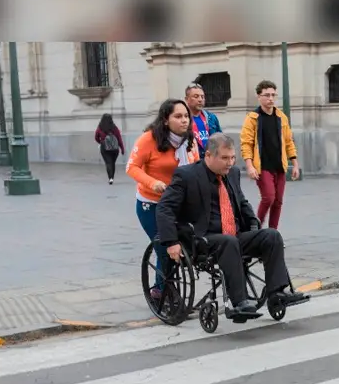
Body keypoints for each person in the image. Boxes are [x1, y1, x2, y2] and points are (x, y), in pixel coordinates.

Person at [156, 133, 309, 318]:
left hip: (234, 236)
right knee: (228, 242)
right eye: (225, 158)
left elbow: (241, 202)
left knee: (272, 236)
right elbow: (165, 208)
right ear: (208, 155)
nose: (230, 163)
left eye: (232, 158)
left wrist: (253, 223)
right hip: (203, 239)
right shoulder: (186, 175)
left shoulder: (233, 173)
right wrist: (171, 241)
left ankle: (276, 293)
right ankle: (239, 302)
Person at [125, 99, 199, 303]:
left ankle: (169, 287)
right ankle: (161, 291)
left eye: (186, 116)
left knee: (186, 247)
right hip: (151, 203)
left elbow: (196, 166)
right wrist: (152, 182)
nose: (184, 120)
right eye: (178, 116)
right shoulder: (149, 139)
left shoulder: (189, 140)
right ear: (165, 120)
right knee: (164, 247)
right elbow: (132, 167)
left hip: (178, 203)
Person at [240, 80, 301, 230]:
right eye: (267, 95)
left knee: (278, 201)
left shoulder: (281, 117)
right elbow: (246, 144)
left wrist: (295, 164)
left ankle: (273, 232)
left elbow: (289, 141)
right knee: (268, 198)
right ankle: (255, 228)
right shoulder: (252, 118)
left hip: (279, 165)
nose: (271, 98)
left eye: (273, 95)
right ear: (259, 96)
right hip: (262, 166)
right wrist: (249, 166)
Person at [184, 82, 223, 157]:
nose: (200, 100)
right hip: (193, 160)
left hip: (211, 159)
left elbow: (221, 140)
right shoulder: (183, 120)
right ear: (187, 99)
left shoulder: (211, 118)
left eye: (202, 97)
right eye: (196, 96)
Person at [94, 113, 125, 184]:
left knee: (108, 163)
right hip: (115, 149)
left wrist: (101, 142)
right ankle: (112, 178)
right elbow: (119, 139)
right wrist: (122, 149)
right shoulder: (115, 128)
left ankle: (110, 178)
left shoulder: (100, 128)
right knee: (112, 163)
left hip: (104, 148)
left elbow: (96, 137)